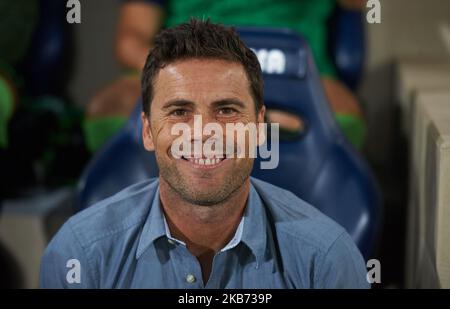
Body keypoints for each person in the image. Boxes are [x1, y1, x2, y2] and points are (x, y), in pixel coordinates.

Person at [40, 19, 369, 288]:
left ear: (258, 128)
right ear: (148, 131)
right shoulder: (79, 255)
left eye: (226, 110)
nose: (203, 132)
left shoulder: (328, 260)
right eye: (179, 111)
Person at [85, 0, 366, 153]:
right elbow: (131, 39)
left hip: (292, 70)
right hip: (186, 61)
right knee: (109, 109)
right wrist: (177, 72)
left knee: (339, 116)